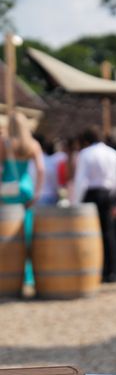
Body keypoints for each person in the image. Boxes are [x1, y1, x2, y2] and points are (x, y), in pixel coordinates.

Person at [73, 126, 116, 283]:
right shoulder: (113, 153)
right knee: (110, 234)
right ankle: (113, 270)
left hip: (91, 195)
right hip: (109, 196)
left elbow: (81, 180)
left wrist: (77, 202)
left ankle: (97, 268)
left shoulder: (85, 154)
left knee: (91, 234)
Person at [0, 112, 44, 287]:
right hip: (26, 188)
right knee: (26, 232)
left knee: (8, 231)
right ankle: (27, 273)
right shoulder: (33, 144)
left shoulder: (5, 143)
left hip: (8, 189)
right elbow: (41, 169)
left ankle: (10, 268)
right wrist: (38, 192)